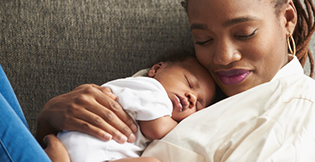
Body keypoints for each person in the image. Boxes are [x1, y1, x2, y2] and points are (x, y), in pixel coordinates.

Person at [35, 0, 315, 161]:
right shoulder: (184, 79)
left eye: (245, 33)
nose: (222, 57)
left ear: (287, 18)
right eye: (203, 40)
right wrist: (51, 118)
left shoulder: (296, 104)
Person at [56, 54, 216, 162]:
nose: (192, 97)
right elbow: (156, 129)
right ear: (157, 69)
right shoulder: (150, 87)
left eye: (199, 104)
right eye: (188, 82)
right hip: (91, 151)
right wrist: (186, 126)